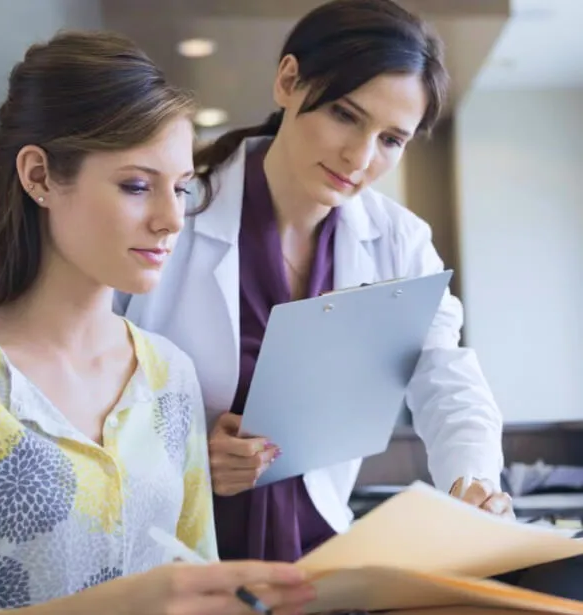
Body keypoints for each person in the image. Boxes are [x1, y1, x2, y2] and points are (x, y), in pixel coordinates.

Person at [0, 31, 317, 615]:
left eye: (181, 190)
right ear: (38, 176)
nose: (170, 220)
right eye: (136, 185)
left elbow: (203, 585)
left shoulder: (170, 375)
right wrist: (132, 602)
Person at [114, 0, 515, 565]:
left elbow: (446, 377)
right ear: (288, 81)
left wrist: (472, 483)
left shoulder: (397, 241)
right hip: (174, 550)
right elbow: (87, 384)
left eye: (391, 140)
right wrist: (189, 458)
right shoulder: (177, 213)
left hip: (318, 547)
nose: (360, 156)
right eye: (346, 115)